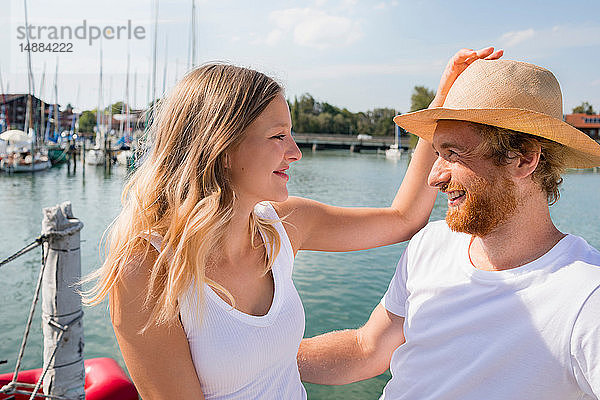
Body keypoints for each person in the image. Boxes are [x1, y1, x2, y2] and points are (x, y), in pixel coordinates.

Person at [83, 47, 502, 399]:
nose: (296, 151)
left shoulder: (283, 225)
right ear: (222, 147)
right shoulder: (145, 268)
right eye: (278, 136)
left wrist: (437, 110)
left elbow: (404, 219)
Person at [298, 59, 600, 399]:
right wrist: (251, 354)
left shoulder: (587, 295)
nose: (434, 176)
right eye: (436, 153)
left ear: (523, 159)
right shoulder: (431, 244)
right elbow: (367, 348)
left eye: (452, 153)